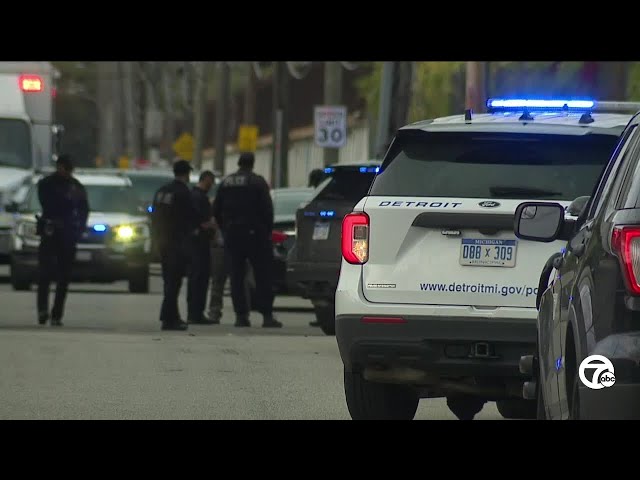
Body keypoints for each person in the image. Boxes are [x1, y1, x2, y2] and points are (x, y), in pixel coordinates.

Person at [212, 152, 282, 328]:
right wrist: (266, 232)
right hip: (256, 235)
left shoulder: (226, 182)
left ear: (238, 163)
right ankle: (267, 315)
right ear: (252, 164)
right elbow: (267, 210)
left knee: (236, 276)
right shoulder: (258, 182)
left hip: (233, 235)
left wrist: (225, 229)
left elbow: (216, 209)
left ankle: (241, 316)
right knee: (262, 276)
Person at [36, 154, 89, 326]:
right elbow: (48, 204)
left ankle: (57, 314)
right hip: (50, 232)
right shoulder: (47, 184)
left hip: (67, 234)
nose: (66, 173)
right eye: (65, 169)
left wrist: (79, 229)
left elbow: (84, 209)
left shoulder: (75, 187)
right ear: (59, 167)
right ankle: (42, 310)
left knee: (64, 277)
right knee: (45, 274)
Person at [151, 159, 198, 331]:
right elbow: (191, 217)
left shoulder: (162, 191)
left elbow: (154, 216)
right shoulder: (183, 192)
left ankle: (172, 316)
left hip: (163, 241)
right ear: (186, 174)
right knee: (174, 282)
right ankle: (168, 318)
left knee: (168, 280)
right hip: (177, 242)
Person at [187, 171, 218, 324]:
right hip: (199, 243)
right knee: (199, 278)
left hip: (197, 243)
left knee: (197, 278)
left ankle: (194, 312)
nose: (211, 186)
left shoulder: (195, 195)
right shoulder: (198, 197)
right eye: (210, 182)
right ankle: (196, 313)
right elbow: (199, 220)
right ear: (205, 180)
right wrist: (208, 226)